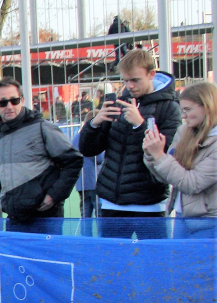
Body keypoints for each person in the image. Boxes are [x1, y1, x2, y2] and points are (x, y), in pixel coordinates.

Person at [78, 48, 182, 223]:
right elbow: (88, 149)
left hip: (150, 203)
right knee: (111, 251)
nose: (130, 86)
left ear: (151, 74)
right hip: (112, 202)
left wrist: (140, 124)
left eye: (135, 80)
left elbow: (167, 152)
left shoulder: (170, 108)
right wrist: (95, 124)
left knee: (150, 252)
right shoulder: (119, 103)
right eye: (125, 80)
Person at [0, 78, 83, 224]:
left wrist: (54, 195)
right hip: (14, 216)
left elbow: (73, 161)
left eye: (14, 100)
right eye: (3, 102)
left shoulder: (42, 127)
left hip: (45, 215)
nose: (9, 106)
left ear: (22, 100)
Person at [144, 81, 217, 217]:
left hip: (209, 220)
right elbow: (167, 177)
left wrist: (160, 157)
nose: (183, 116)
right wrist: (151, 155)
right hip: (180, 214)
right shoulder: (184, 131)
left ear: (208, 107)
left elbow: (191, 184)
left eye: (188, 110)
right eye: (182, 110)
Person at [73, 111, 104, 218]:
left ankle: (85, 233)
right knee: (99, 211)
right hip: (94, 179)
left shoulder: (76, 137)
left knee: (85, 212)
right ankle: (101, 234)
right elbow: (99, 158)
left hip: (81, 181)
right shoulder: (94, 137)